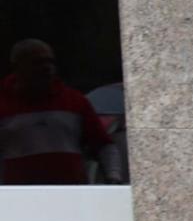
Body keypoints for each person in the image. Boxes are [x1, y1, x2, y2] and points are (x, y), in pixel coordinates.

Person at [0, 38, 120, 184]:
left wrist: (114, 177)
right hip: (20, 195)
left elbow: (103, 145)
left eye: (50, 61)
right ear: (18, 66)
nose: (47, 67)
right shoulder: (4, 102)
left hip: (70, 192)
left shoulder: (75, 101)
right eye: (37, 62)